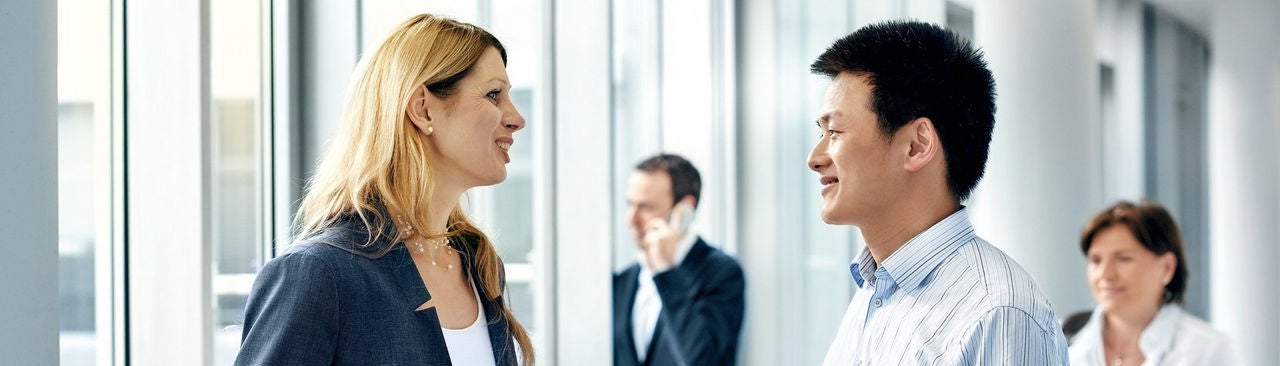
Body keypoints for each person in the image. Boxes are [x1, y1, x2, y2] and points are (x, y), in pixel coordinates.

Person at [235, 14, 533, 365]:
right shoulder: (318, 274)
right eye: (493, 94)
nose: (517, 118)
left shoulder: (481, 266)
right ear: (423, 110)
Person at [809, 21, 1069, 364]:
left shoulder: (998, 313)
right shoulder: (876, 289)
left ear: (917, 146)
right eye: (821, 132)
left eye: (836, 132)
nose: (815, 158)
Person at [612, 154, 745, 366]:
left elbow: (700, 360)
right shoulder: (625, 280)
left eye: (646, 207)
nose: (631, 219)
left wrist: (666, 271)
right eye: (630, 204)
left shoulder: (722, 272)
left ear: (685, 209)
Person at [1069, 201, 1239, 365]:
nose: (1105, 274)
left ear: (1167, 268)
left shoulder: (1208, 351)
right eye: (1096, 261)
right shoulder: (1059, 339)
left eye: (1123, 259)